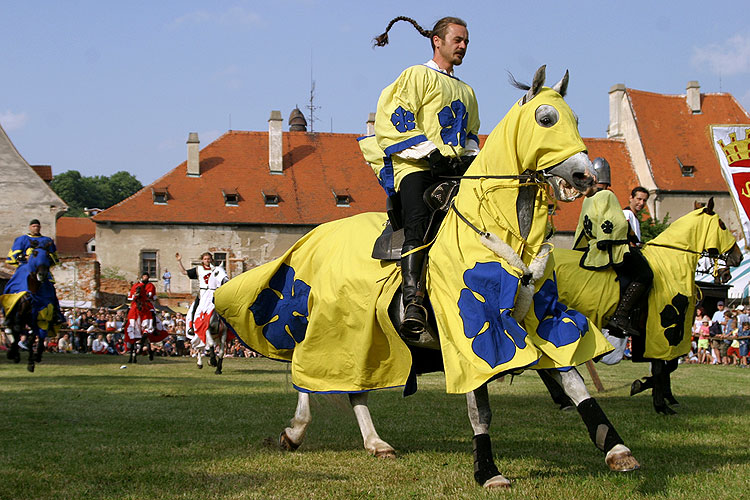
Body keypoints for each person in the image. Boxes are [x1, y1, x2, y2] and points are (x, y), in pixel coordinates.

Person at [364, 16, 480, 339]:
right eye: (458, 40)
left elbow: (471, 135)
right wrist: (429, 152)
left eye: (466, 41)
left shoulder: (467, 91)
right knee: (418, 223)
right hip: (416, 168)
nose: (463, 46)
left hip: (454, 173)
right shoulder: (416, 75)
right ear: (437, 41)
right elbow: (394, 119)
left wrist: (470, 159)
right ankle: (413, 301)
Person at [572, 158, 653, 336]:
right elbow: (617, 224)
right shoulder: (607, 196)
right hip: (609, 248)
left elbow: (581, 228)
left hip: (592, 248)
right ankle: (621, 316)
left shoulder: (588, 199)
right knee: (645, 274)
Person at [176, 252, 214, 337]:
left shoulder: (216, 269)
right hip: (203, 293)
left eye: (208, 259)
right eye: (205, 259)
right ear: (202, 260)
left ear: (211, 260)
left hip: (214, 293)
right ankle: (192, 327)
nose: (207, 260)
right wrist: (179, 261)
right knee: (194, 309)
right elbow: (184, 272)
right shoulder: (198, 269)